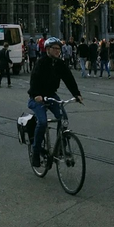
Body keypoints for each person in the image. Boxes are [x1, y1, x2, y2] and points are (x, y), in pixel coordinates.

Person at [27, 37, 83, 167]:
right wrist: (36, 95)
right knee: (41, 122)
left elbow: (68, 78)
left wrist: (76, 94)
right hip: (37, 96)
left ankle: (60, 148)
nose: (58, 51)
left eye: (59, 49)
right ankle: (36, 152)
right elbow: (34, 79)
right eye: (55, 49)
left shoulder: (60, 64)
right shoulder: (41, 62)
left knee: (63, 119)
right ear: (48, 49)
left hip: (51, 95)